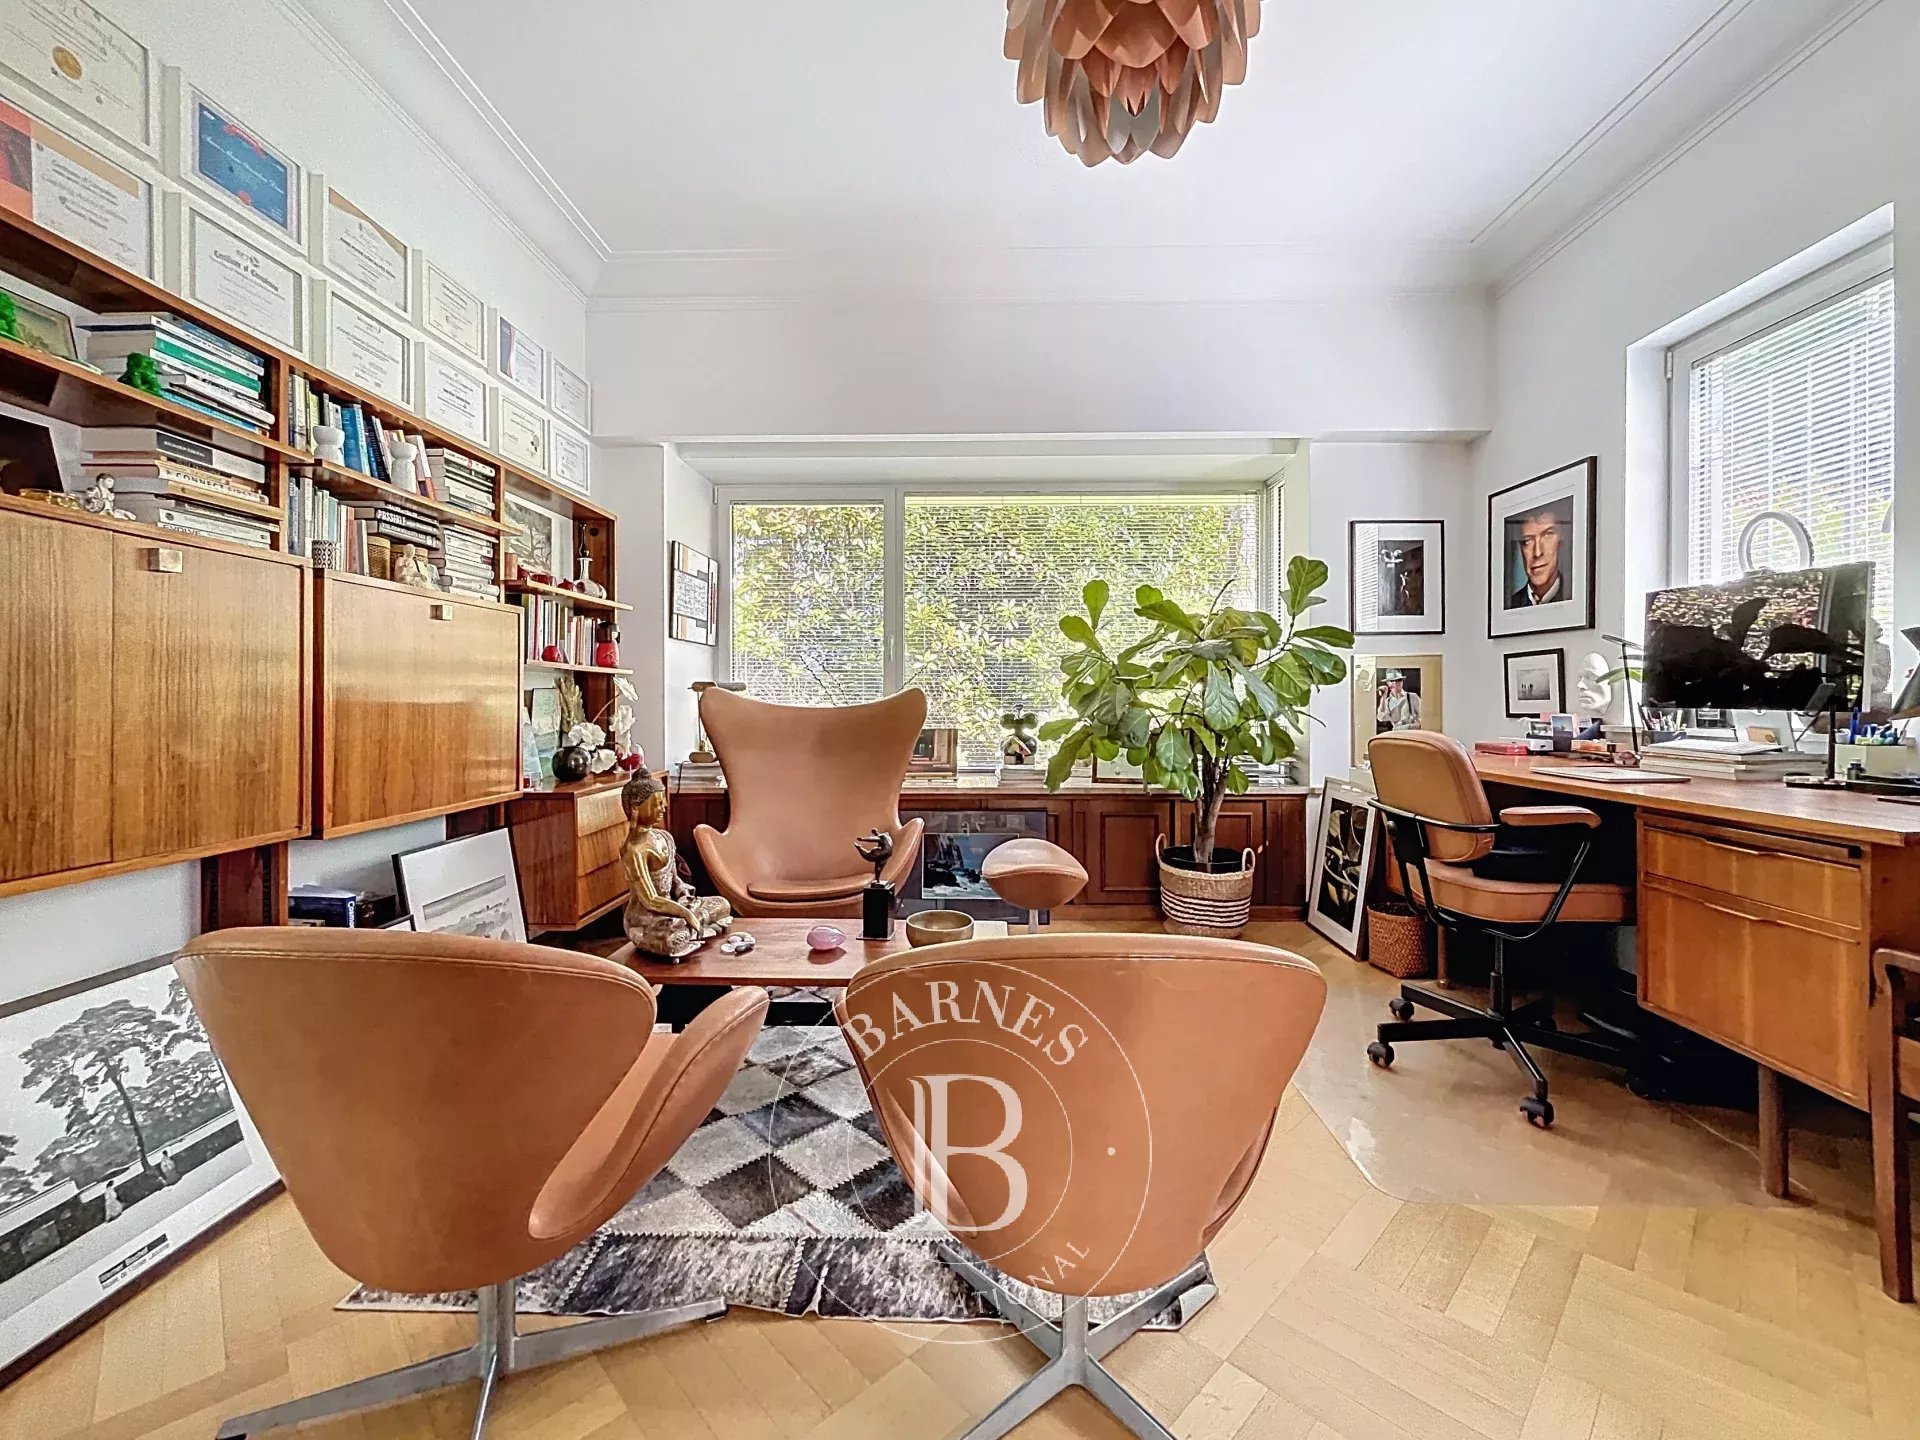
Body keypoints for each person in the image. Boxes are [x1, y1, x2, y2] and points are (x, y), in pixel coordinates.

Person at [1508, 504, 1569, 608]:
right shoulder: (1510, 605)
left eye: (1548, 535)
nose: (1537, 552)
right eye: (1528, 541)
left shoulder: (1574, 596)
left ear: (1560, 540)